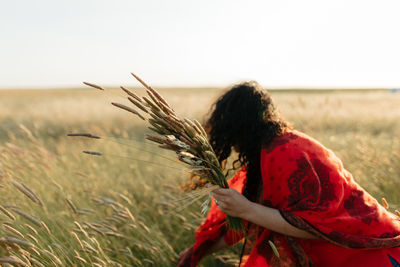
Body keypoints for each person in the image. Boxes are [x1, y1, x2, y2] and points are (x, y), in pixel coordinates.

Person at [177, 81, 400, 267]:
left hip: (372, 258)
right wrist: (198, 251)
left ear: (238, 125)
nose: (231, 144)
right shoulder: (266, 154)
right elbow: (251, 222)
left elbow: (313, 225)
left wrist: (246, 208)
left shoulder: (286, 152)